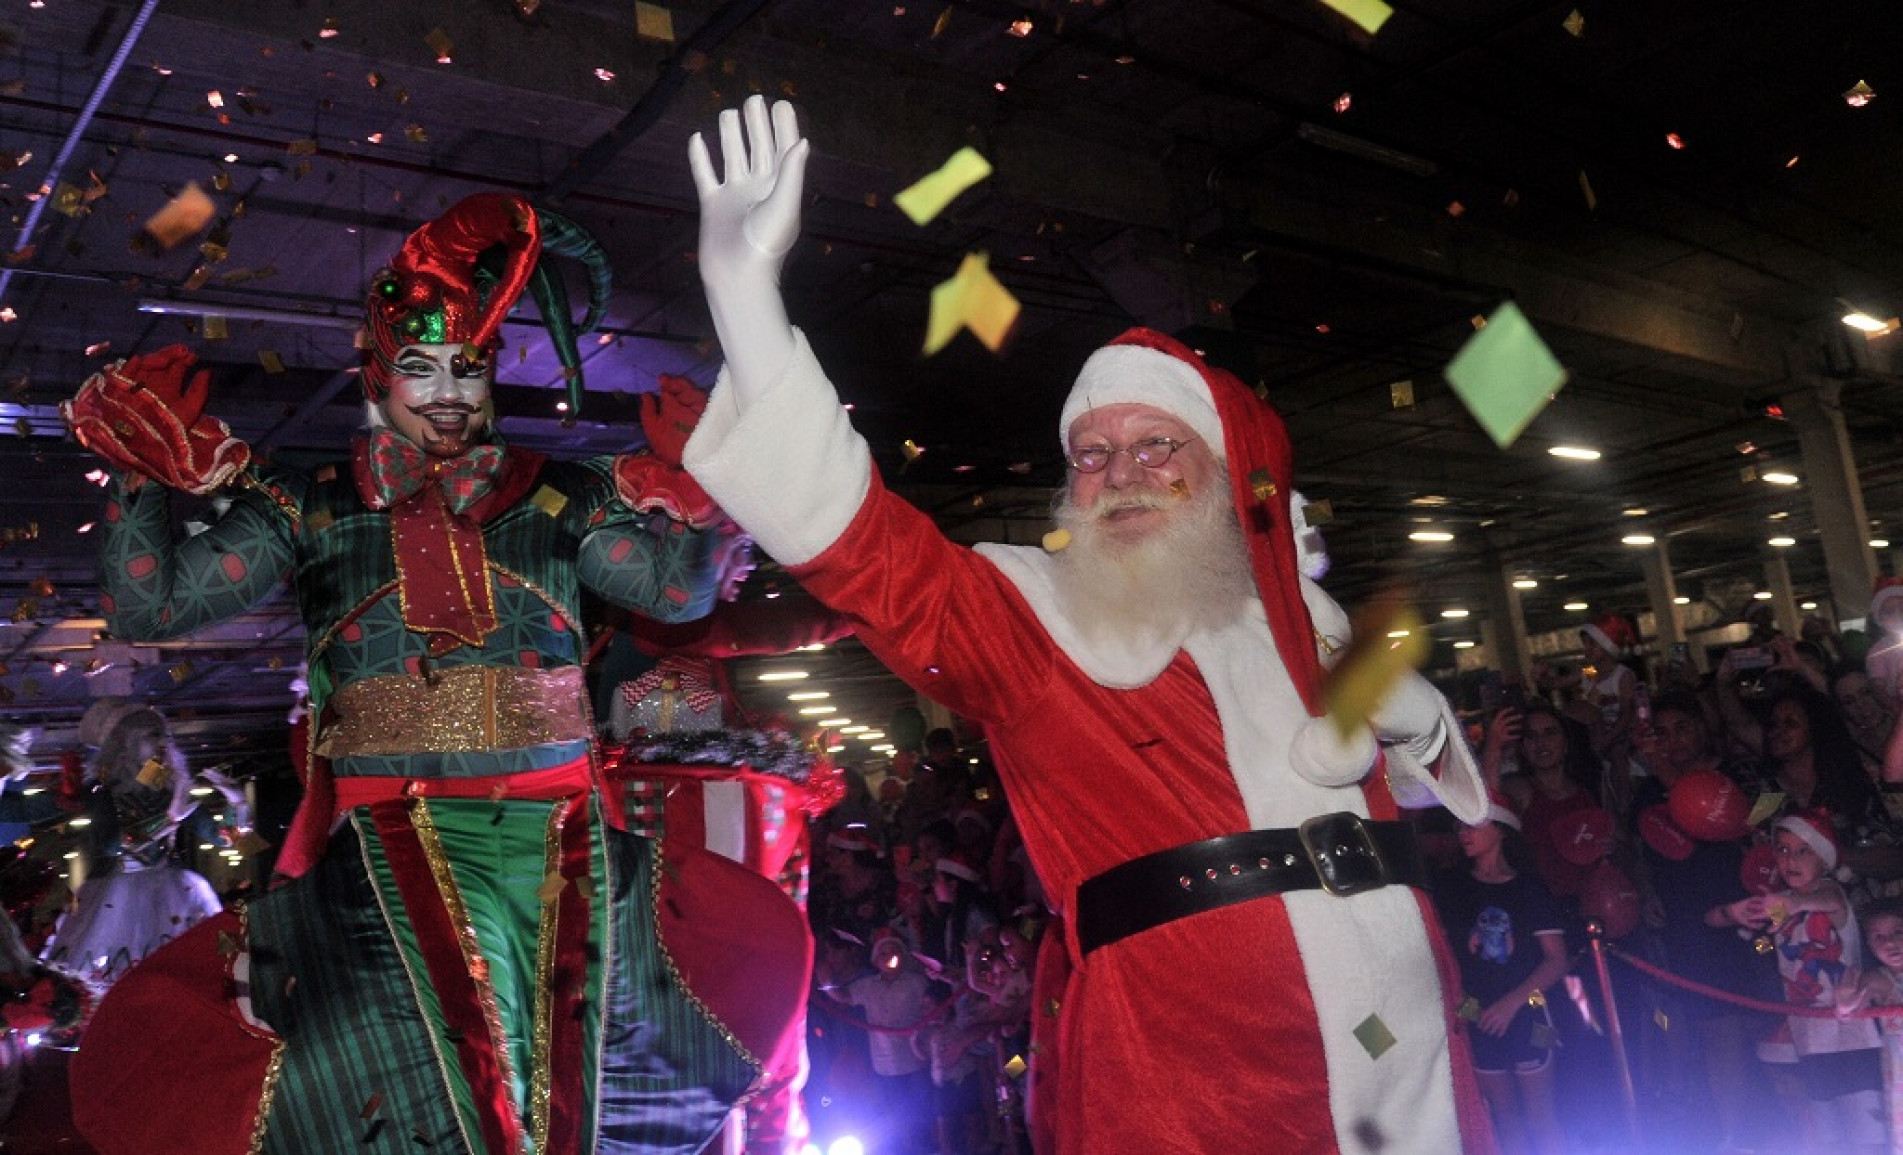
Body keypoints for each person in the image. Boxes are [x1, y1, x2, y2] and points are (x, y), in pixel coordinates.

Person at [680, 97, 1492, 1152]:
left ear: (1222, 470)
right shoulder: (1033, 618)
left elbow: (1425, 801)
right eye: (1093, 454)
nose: (1119, 473)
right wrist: (741, 296)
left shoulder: (1306, 621)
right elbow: (870, 549)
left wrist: (1424, 731)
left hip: (1413, 1054)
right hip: (1195, 1076)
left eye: (1156, 443)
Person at [60, 194, 777, 1154]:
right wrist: (140, 479)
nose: (448, 390)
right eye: (421, 366)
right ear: (375, 373)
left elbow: (679, 598)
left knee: (574, 1082)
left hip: (559, 829)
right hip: (394, 822)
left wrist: (706, 502)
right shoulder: (309, 502)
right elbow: (151, 606)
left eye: (468, 368)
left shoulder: (561, 494)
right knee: (442, 1078)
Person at [1708, 813, 1885, 1153]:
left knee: (1865, 1130)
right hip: (1809, 1033)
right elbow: (1756, 939)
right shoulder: (1780, 904)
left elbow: (1828, 901)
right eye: (1784, 850)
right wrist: (1736, 915)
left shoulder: (1830, 892)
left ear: (1823, 858)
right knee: (1826, 1131)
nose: (1791, 860)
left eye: (1804, 851)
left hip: (1851, 1034)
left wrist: (1792, 903)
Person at [1434, 801, 1570, 1155]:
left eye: (1472, 825)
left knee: (1544, 1117)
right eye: (1458, 827)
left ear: (1500, 829)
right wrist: (1465, 1005)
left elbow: (1557, 961)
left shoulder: (1529, 887)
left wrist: (1511, 1004)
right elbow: (1445, 957)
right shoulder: (1452, 887)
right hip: (1477, 1012)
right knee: (1502, 1118)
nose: (1462, 833)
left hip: (1531, 1008)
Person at [1837, 896, 1903, 1153]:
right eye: (1878, 938)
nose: (1889, 943)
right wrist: (1845, 1004)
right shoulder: (1883, 980)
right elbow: (1854, 1000)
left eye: (1898, 932)